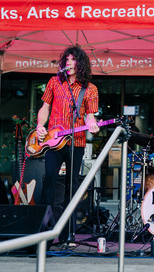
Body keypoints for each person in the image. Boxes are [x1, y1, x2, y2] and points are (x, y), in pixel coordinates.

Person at [35, 46, 100, 243]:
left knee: (72, 188)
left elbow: (90, 116)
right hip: (53, 143)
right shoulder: (55, 81)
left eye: (73, 60)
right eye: (67, 59)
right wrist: (40, 125)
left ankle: (67, 234)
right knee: (49, 183)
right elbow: (45, 107)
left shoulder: (90, 89)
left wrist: (92, 124)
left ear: (81, 64)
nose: (69, 63)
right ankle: (43, 232)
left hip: (76, 142)